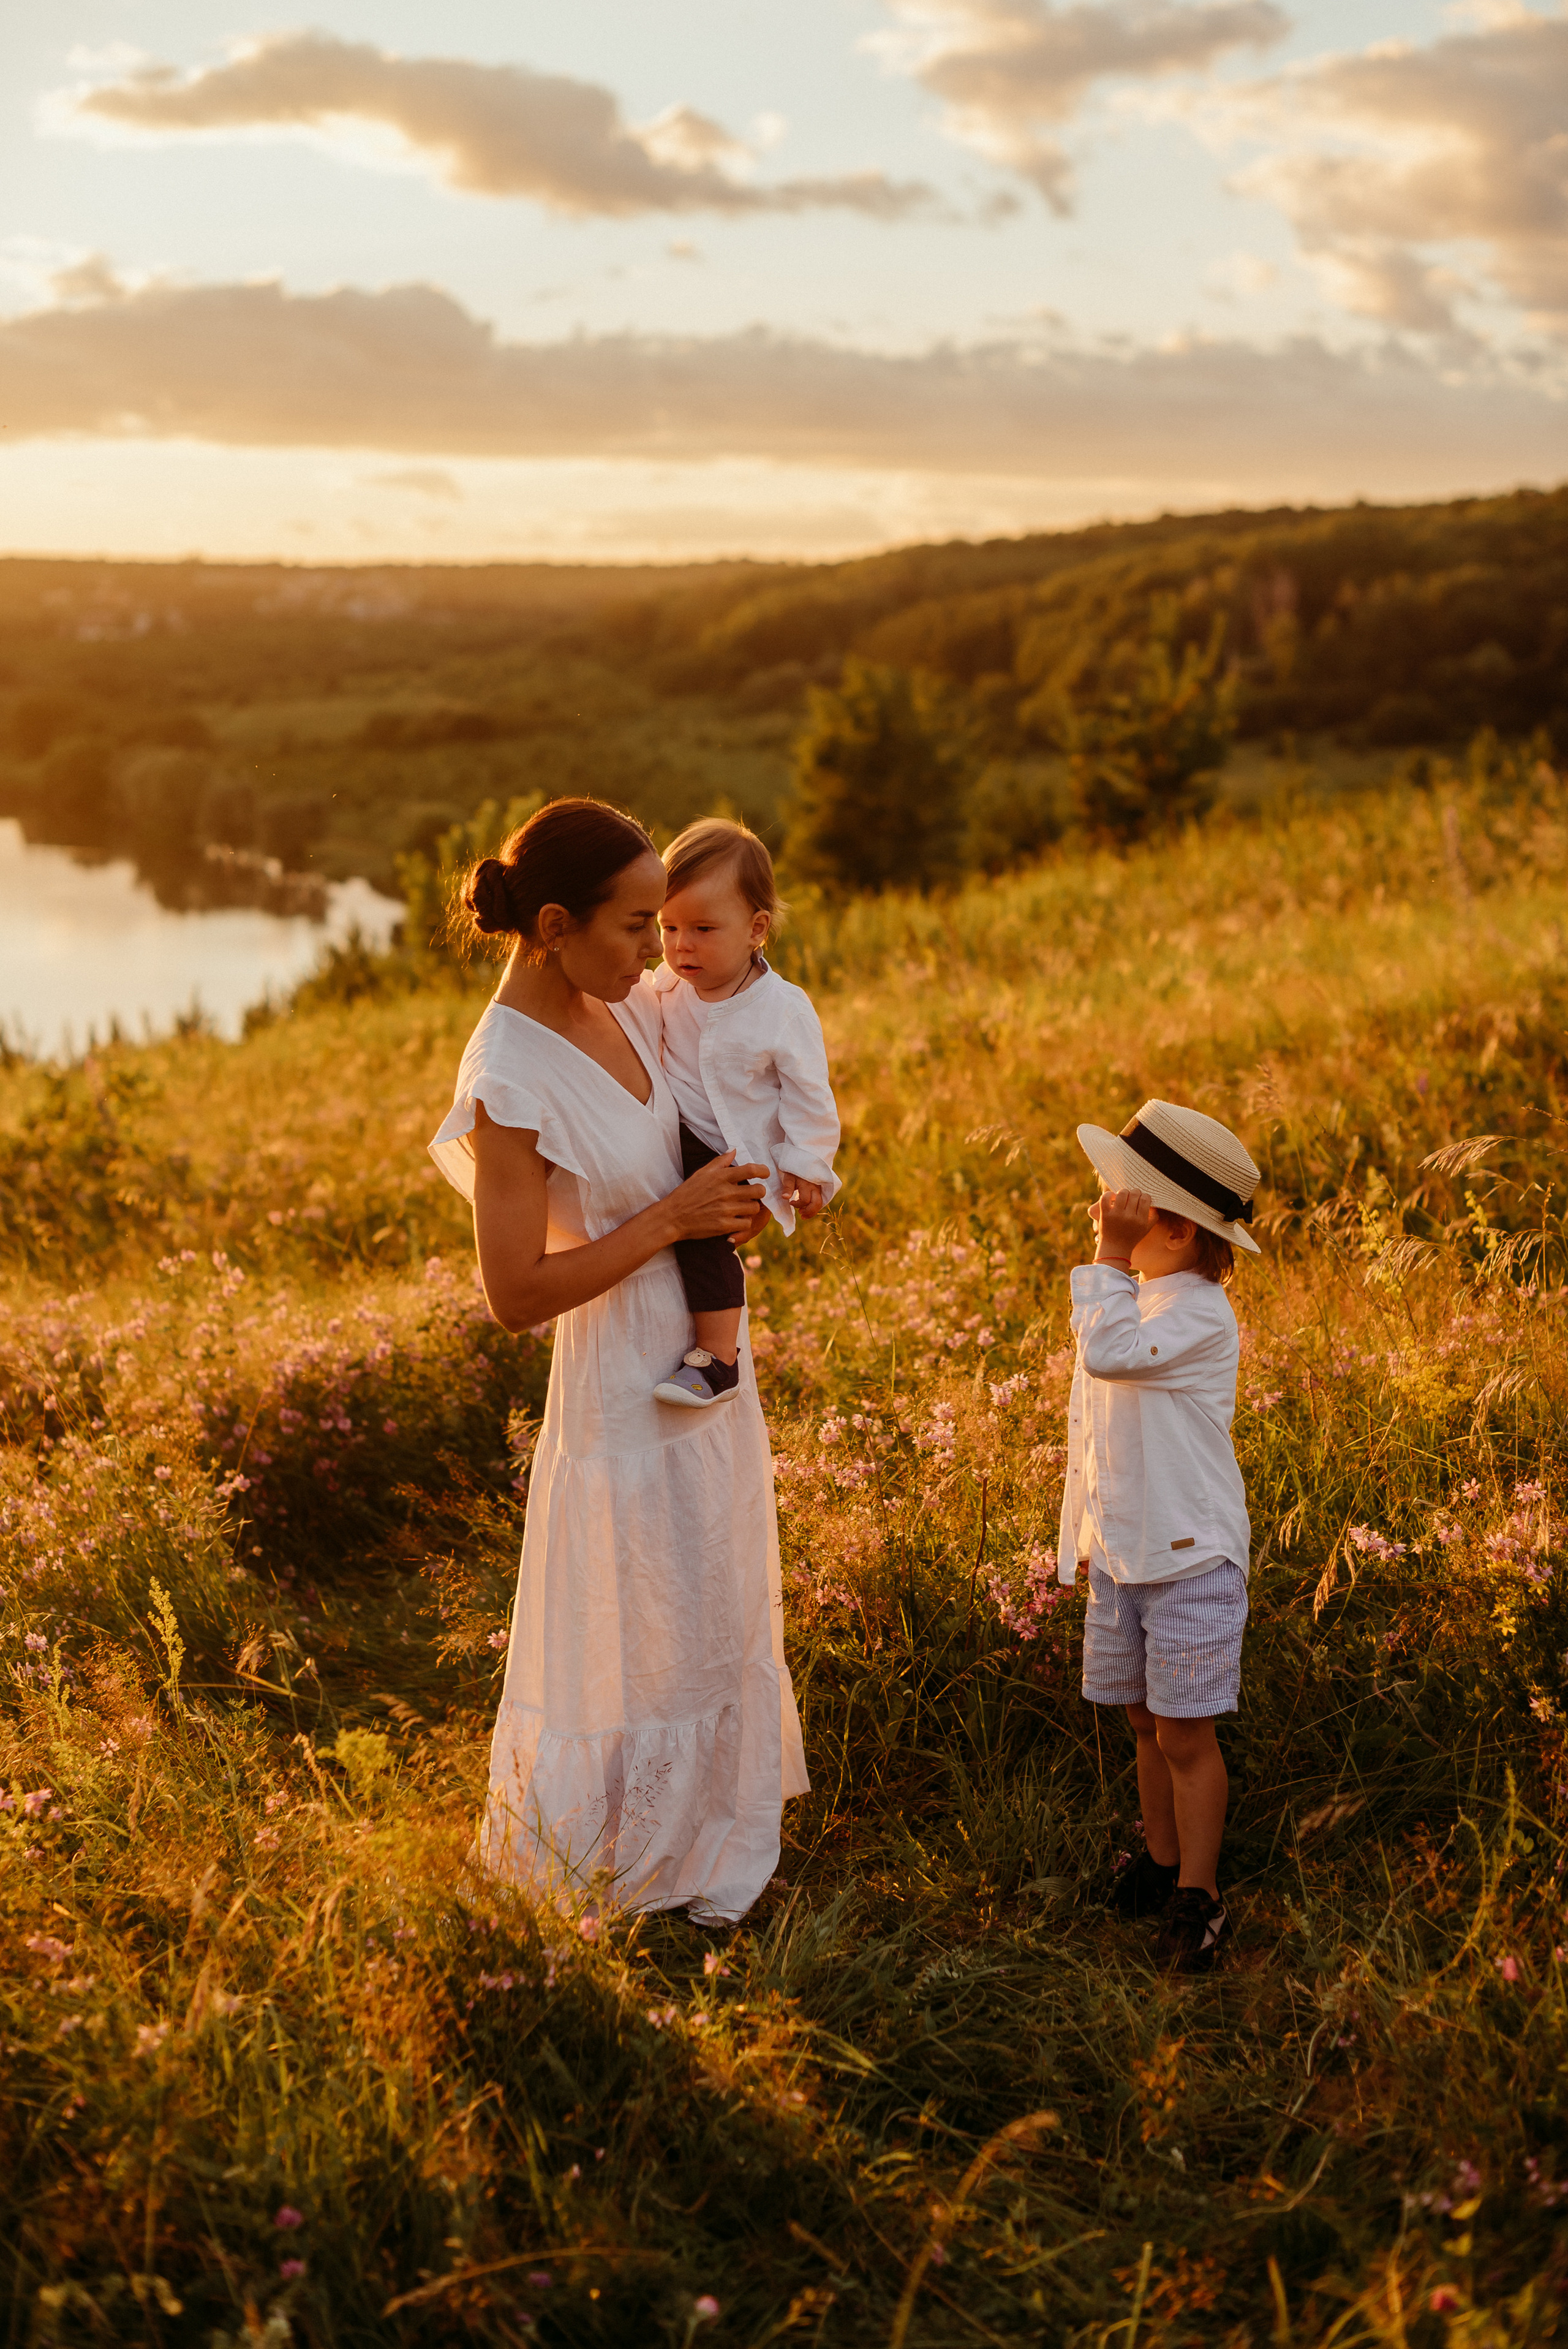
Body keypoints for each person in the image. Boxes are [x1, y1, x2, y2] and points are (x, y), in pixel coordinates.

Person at [428, 797, 810, 1924]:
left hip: (695, 1360)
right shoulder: (511, 1075)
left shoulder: (633, 1005)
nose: (660, 951)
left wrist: (760, 1186)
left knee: (706, 1591)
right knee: (633, 1611)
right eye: (637, 925)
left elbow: (735, 1070)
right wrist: (671, 1219)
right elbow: (513, 1293)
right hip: (615, 1381)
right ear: (554, 922)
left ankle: (709, 1827)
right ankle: (623, 1842)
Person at [1057, 1098, 1261, 1974]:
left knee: (1185, 1733)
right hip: (1128, 1548)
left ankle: (1201, 1894)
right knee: (1145, 1721)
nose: (1103, 1216)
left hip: (1189, 1556)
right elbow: (1091, 1428)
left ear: (1174, 1230)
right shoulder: (1141, 1298)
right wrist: (1084, 1535)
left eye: (1121, 1207)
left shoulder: (1197, 1313)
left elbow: (1107, 1356)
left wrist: (1105, 1259)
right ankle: (1163, 1858)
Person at [644, 817, 841, 1409]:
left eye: (704, 928)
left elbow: (809, 1094)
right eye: (668, 926)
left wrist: (807, 1167)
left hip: (737, 1151)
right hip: (673, 1134)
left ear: (757, 929)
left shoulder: (781, 1007)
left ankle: (717, 1359)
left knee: (705, 1238)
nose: (682, 945)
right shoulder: (662, 986)